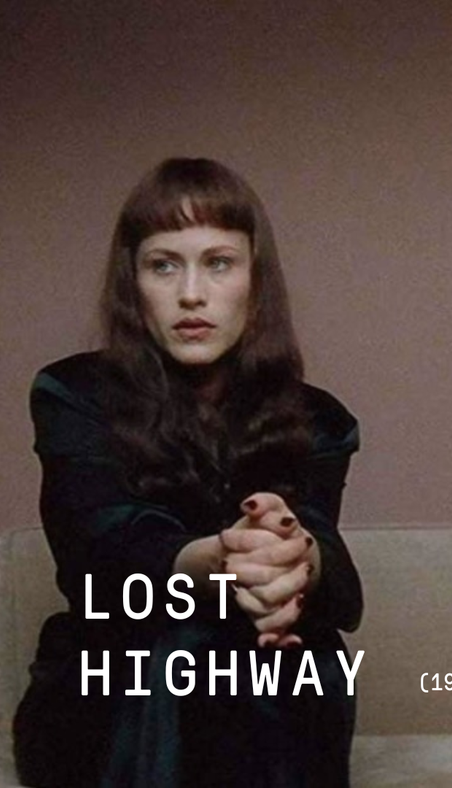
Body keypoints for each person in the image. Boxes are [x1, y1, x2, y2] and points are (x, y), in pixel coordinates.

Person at [14, 158, 363, 787]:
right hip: (112, 679)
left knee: (292, 655)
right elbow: (102, 559)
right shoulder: (73, 394)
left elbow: (337, 582)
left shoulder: (317, 419)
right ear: (133, 283)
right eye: (164, 265)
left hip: (266, 676)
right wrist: (220, 562)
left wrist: (296, 559)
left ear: (255, 281)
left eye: (219, 263)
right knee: (190, 647)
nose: (191, 294)